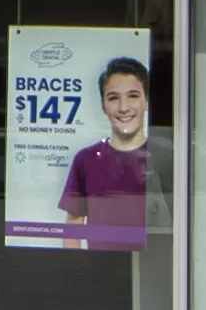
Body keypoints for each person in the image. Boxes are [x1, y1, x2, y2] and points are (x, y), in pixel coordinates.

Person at [62, 55, 153, 249]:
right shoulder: (86, 160)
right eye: (113, 98)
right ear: (103, 106)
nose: (123, 107)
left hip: (150, 272)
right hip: (100, 272)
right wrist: (77, 272)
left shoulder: (163, 158)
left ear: (146, 101)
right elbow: (73, 226)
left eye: (133, 96)